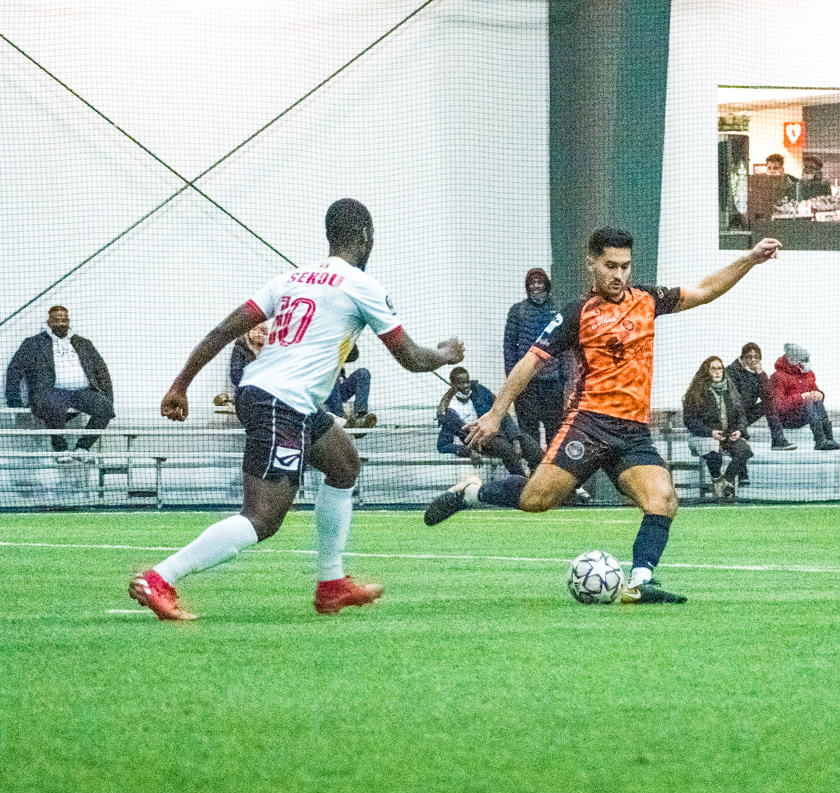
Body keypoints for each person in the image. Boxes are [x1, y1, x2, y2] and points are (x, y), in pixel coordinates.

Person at [128, 198, 463, 622]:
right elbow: (411, 357)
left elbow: (222, 330)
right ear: (365, 235)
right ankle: (160, 578)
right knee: (263, 518)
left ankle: (331, 584)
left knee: (343, 463)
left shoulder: (289, 279)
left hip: (281, 399)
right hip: (279, 403)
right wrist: (446, 353)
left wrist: (181, 384)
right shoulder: (361, 285)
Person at [424, 226, 784, 604]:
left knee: (663, 500)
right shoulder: (576, 315)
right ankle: (472, 492)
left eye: (625, 266)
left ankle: (640, 582)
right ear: (591, 263)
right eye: (611, 266)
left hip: (633, 432)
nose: (619, 275)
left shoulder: (647, 299)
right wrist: (496, 414)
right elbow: (528, 362)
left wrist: (750, 258)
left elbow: (705, 291)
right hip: (589, 424)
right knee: (536, 500)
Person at [4, 304, 114, 455]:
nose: (61, 323)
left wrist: (108, 397)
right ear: (49, 322)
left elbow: (101, 371)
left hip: (82, 393)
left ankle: (83, 448)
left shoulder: (84, 344)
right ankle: (60, 450)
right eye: (57, 320)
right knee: (52, 405)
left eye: (65, 320)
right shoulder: (33, 344)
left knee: (105, 409)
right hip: (51, 392)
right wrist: (14, 401)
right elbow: (14, 370)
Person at [436, 366, 541, 476]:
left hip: (499, 431)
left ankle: (537, 478)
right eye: (461, 383)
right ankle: (522, 482)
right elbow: (442, 445)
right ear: (453, 385)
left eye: (467, 382)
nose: (466, 386)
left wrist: (515, 439)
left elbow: (502, 413)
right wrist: (468, 451)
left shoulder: (480, 393)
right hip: (480, 441)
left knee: (531, 446)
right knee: (505, 448)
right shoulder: (450, 412)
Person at [503, 267, 565, 446]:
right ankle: (533, 468)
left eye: (539, 282)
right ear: (527, 287)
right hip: (526, 383)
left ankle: (552, 471)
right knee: (528, 429)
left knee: (555, 429)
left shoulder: (558, 309)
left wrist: (565, 377)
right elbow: (509, 347)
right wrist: (512, 377)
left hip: (553, 383)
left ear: (546, 285)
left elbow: (566, 346)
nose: (536, 286)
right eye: (532, 283)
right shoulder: (517, 311)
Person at [683, 356, 753, 502]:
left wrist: (739, 431)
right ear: (706, 372)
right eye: (713, 369)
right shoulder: (695, 392)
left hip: (727, 435)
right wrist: (710, 432)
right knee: (713, 448)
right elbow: (690, 421)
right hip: (702, 436)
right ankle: (717, 478)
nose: (717, 372)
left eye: (719, 368)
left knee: (744, 450)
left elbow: (741, 416)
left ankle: (725, 481)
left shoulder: (731, 390)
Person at [771, 343, 840, 451]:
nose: (807, 362)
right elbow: (779, 405)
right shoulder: (778, 377)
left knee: (816, 401)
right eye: (804, 360)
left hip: (805, 415)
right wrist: (801, 397)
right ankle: (820, 440)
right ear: (794, 361)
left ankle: (829, 438)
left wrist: (819, 394)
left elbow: (814, 390)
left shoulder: (808, 374)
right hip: (787, 418)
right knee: (808, 400)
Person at [324, 344, 375, 429]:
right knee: (333, 376)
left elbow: (354, 356)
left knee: (363, 373)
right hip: (326, 389)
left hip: (340, 388)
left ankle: (360, 417)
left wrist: (347, 340)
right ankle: (339, 418)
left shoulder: (336, 339)